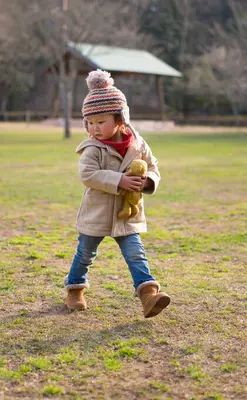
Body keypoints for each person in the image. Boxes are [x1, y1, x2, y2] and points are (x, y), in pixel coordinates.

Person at [65, 69, 170, 318]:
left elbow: (153, 166)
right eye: (90, 122)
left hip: (127, 212)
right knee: (85, 253)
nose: (95, 128)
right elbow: (88, 174)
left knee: (136, 253)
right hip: (97, 212)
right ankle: (75, 289)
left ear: (120, 120)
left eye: (101, 122)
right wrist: (119, 180)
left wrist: (146, 182)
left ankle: (149, 295)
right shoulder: (92, 147)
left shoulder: (138, 144)